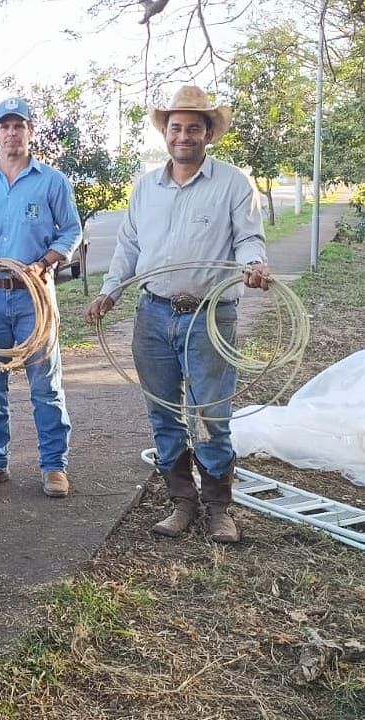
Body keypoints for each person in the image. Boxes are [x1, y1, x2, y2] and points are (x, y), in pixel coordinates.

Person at [83, 85, 271, 543]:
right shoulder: (146, 187)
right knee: (164, 412)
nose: (183, 136)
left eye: (193, 128)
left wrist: (253, 263)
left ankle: (219, 508)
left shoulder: (232, 183)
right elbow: (129, 246)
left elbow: (248, 237)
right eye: (175, 128)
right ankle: (181, 503)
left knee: (210, 414)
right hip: (153, 314)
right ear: (165, 134)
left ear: (208, 134)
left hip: (209, 317)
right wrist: (110, 291)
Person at [0, 97, 82, 498]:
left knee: (45, 385)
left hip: (34, 298)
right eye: (4, 126)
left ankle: (54, 467)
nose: (12, 133)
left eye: (19, 126)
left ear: (30, 132)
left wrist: (45, 262)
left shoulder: (52, 180)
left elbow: (71, 231)